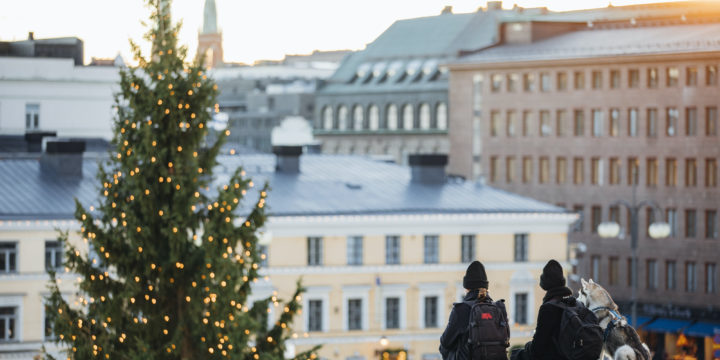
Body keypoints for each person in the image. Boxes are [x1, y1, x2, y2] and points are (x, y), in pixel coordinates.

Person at [440, 261, 509, 360]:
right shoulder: (499, 308)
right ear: (486, 287)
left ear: (467, 288)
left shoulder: (461, 309)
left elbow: (445, 342)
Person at [511, 259, 574, 360]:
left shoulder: (548, 308)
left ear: (546, 282)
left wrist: (522, 351)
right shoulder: (573, 304)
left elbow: (537, 348)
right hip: (571, 356)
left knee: (516, 355)